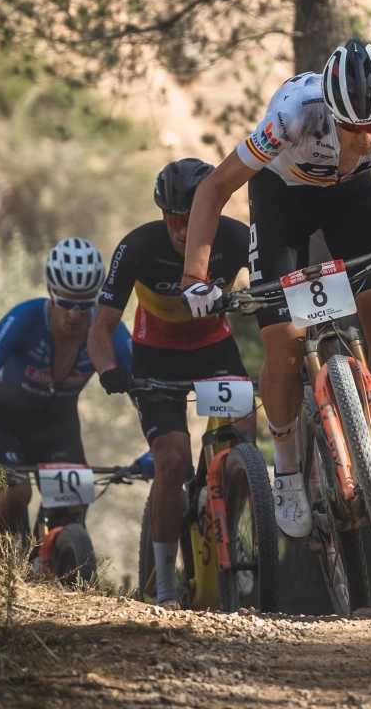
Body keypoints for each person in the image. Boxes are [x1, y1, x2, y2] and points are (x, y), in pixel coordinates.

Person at [180, 39, 371, 540]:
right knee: (286, 340)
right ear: (331, 113)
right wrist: (195, 279)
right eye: (353, 127)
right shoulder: (294, 116)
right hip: (283, 200)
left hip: (350, 197)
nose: (368, 137)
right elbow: (214, 188)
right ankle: (289, 471)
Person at [88, 158, 251, 609]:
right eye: (173, 220)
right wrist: (108, 370)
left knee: (245, 436)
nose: (182, 230)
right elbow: (101, 328)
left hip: (215, 350)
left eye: (192, 218)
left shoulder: (237, 238)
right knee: (173, 458)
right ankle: (162, 586)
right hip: (155, 357)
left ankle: (232, 525)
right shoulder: (138, 246)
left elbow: (267, 286)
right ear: (163, 215)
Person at [0, 237, 132, 539]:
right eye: (65, 303)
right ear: (50, 292)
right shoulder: (25, 317)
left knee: (73, 506)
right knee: (17, 497)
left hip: (58, 430)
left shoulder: (107, 330)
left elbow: (145, 388)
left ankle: (54, 562)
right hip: (5, 425)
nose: (74, 315)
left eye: (84, 305)